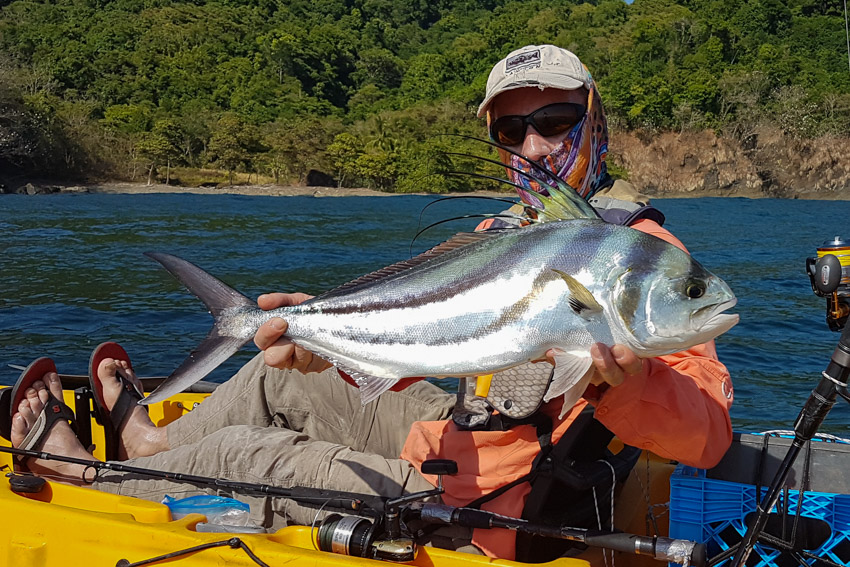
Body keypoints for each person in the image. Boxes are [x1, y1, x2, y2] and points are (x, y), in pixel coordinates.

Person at [5, 44, 734, 562]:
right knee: (278, 371)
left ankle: (95, 475)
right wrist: (325, 349)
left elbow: (708, 437)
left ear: (594, 121)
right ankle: (151, 445)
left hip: (496, 506)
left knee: (242, 453)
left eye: (554, 119)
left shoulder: (642, 260)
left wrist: (633, 382)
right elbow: (432, 352)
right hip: (460, 439)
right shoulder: (496, 236)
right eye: (513, 129)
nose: (535, 147)